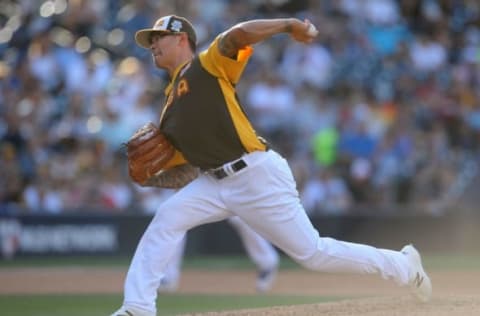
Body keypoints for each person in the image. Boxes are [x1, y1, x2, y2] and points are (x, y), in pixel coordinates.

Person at [111, 15, 432, 316]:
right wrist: (149, 179)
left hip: (255, 173)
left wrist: (288, 24)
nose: (152, 45)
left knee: (314, 254)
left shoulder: (206, 66)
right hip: (215, 182)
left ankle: (403, 266)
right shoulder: (169, 110)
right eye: (150, 41)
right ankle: (137, 307)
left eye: (158, 38)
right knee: (167, 216)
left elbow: (237, 35)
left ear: (181, 38)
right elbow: (188, 170)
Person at [157, 216, 279, 294]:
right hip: (203, 181)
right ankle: (168, 277)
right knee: (176, 219)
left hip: (230, 179)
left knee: (240, 218)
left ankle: (267, 262)